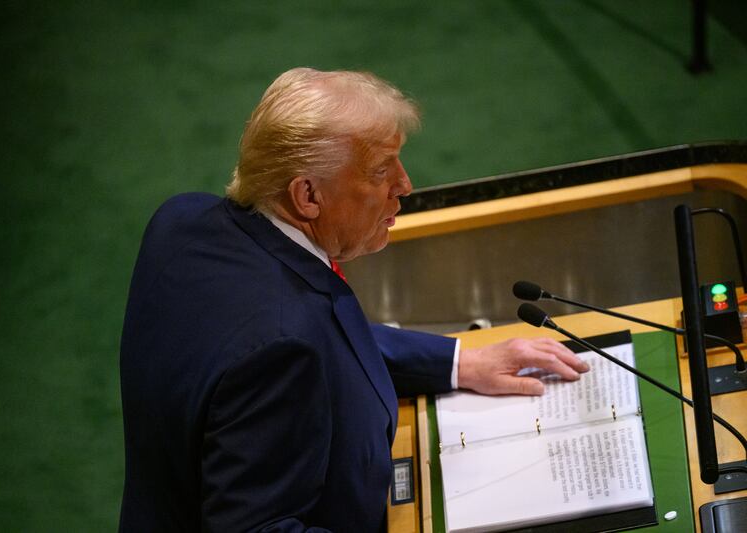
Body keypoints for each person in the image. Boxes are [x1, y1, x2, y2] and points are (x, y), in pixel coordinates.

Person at [118, 67, 589, 532]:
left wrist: (459, 362)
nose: (404, 185)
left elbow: (322, 343)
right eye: (382, 170)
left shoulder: (182, 221)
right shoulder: (283, 345)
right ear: (307, 195)